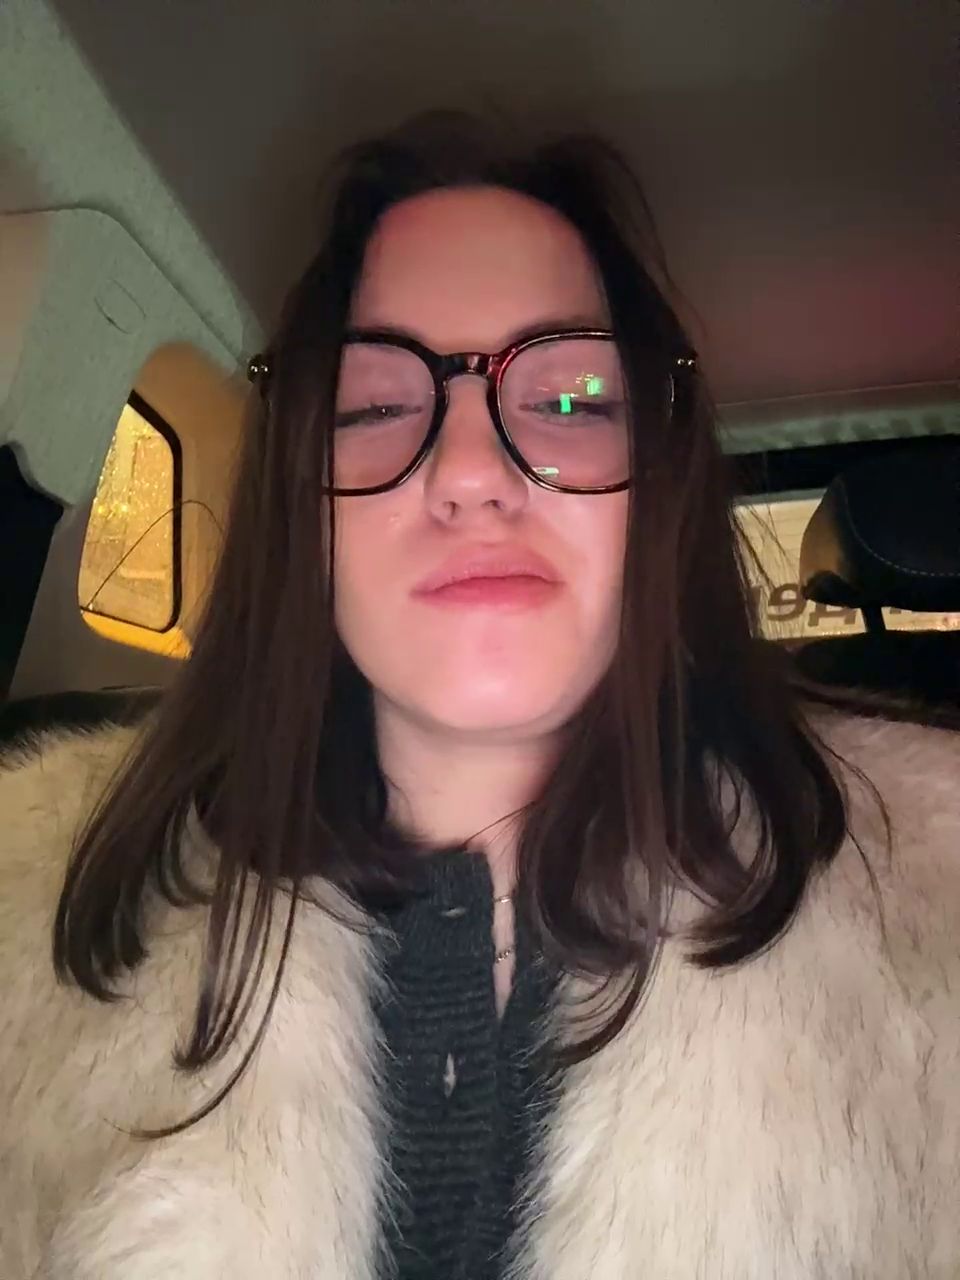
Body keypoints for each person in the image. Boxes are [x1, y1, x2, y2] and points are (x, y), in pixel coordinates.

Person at [0, 113, 956, 1280]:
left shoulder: (940, 909)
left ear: (655, 491)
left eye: (571, 399)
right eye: (375, 407)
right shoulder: (21, 910)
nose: (468, 472)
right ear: (303, 505)